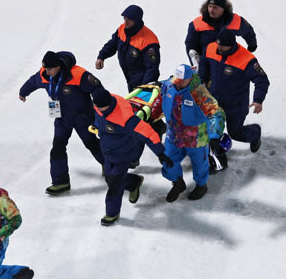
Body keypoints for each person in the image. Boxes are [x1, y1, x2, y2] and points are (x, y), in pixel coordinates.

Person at [19, 51, 105, 195]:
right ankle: (61, 182)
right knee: (57, 147)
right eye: (45, 69)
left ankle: (110, 166)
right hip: (61, 118)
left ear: (58, 66)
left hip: (81, 117)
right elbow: (33, 81)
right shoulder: (44, 74)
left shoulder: (78, 74)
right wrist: (23, 92)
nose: (47, 72)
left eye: (50, 69)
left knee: (91, 143)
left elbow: (98, 89)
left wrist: (100, 109)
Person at [92, 88, 173, 226]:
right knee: (109, 177)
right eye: (96, 107)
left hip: (123, 153)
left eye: (101, 107)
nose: (98, 109)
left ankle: (112, 214)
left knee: (114, 185)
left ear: (108, 104)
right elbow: (98, 116)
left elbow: (146, 132)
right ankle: (133, 182)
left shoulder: (125, 118)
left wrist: (160, 152)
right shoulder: (101, 104)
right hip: (108, 151)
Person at [161, 64, 226, 202]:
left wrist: (214, 135)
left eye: (182, 80)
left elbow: (216, 113)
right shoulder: (169, 85)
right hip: (174, 134)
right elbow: (161, 89)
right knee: (167, 160)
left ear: (190, 79)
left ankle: (201, 185)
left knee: (199, 163)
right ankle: (178, 183)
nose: (178, 82)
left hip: (196, 137)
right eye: (177, 78)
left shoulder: (198, 93)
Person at [199, 29, 270, 153]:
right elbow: (204, 63)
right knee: (210, 130)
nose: (219, 48)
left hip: (236, 104)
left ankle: (255, 133)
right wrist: (202, 79)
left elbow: (262, 80)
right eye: (218, 44)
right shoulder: (211, 48)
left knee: (236, 133)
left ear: (232, 45)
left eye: (223, 47)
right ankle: (214, 156)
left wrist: (258, 100)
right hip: (214, 99)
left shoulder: (247, 59)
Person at [95, 5, 161, 92]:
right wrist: (101, 56)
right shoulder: (122, 29)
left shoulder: (149, 41)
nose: (126, 22)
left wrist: (144, 88)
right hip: (130, 77)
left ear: (136, 21)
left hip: (142, 81)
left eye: (129, 19)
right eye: (124, 18)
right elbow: (112, 44)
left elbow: (152, 69)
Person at [185, 0, 257, 70]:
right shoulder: (197, 24)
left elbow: (248, 31)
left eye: (215, 7)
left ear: (223, 9)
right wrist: (195, 62)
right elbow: (190, 44)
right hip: (207, 62)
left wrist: (252, 45)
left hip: (228, 63)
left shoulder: (234, 21)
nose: (211, 10)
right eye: (210, 6)